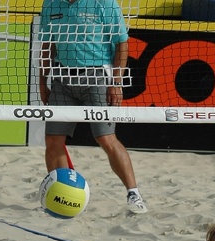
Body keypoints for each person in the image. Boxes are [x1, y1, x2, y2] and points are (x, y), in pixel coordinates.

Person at [39, 0, 147, 214]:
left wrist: (116, 83)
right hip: (62, 78)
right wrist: (42, 82)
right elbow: (47, 45)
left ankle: (133, 193)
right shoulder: (51, 4)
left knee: (106, 138)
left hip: (97, 77)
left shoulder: (105, 4)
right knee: (53, 140)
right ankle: (63, 193)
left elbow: (121, 43)